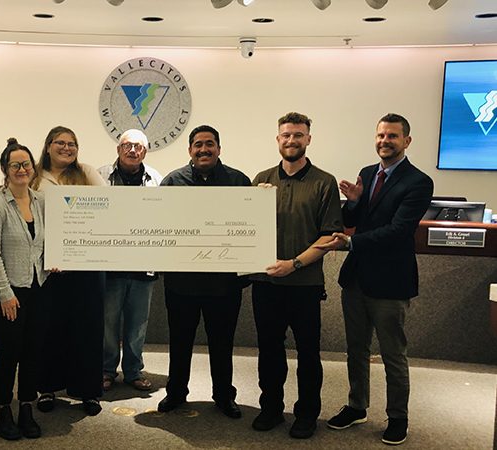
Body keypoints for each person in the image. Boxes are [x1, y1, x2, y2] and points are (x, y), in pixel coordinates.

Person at [317, 113, 434, 446]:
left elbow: (399, 232)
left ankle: (398, 416)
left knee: (393, 353)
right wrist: (353, 202)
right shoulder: (368, 173)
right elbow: (355, 219)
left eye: (393, 136)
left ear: (406, 141)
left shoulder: (418, 181)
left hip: (390, 282)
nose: (385, 141)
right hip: (356, 279)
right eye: (381, 135)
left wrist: (352, 242)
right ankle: (357, 406)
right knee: (356, 349)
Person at [249, 112, 343, 439]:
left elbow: (330, 236)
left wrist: (294, 264)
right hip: (266, 284)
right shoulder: (260, 180)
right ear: (278, 139)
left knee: (308, 353)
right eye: (286, 135)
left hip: (304, 285)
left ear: (308, 139)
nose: (291, 140)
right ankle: (271, 408)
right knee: (269, 351)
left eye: (298, 135)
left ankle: (306, 414)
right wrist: (249, 204)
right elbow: (245, 231)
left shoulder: (324, 181)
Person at [158, 125, 250, 419]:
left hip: (223, 286)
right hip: (181, 283)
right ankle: (176, 393)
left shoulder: (239, 182)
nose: (203, 149)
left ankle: (224, 396)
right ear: (190, 150)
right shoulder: (173, 181)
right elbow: (160, 226)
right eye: (198, 145)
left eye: (209, 144)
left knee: (222, 343)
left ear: (219, 149)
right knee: (180, 341)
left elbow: (250, 230)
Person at [31, 125, 107, 416]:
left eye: (72, 143)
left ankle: (88, 392)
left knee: (88, 327)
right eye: (60, 143)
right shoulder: (35, 177)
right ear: (48, 146)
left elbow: (109, 206)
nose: (66, 148)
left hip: (87, 264)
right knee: (49, 327)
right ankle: (47, 388)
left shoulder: (86, 172)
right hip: (50, 266)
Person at [0, 138, 47, 440]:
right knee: (9, 353)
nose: (22, 169)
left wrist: (55, 262)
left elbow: (44, 244)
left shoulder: (40, 200)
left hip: (37, 289)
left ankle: (27, 407)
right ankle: (3, 410)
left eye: (26, 164)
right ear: (5, 169)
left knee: (32, 352)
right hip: (8, 293)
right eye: (15, 165)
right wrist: (4, 294)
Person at [96, 129, 162, 392]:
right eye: (127, 146)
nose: (132, 150)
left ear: (145, 151)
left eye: (138, 146)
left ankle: (134, 370)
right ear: (118, 149)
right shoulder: (99, 176)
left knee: (137, 324)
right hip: (109, 265)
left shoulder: (157, 179)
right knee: (108, 323)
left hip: (143, 266)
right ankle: (106, 370)